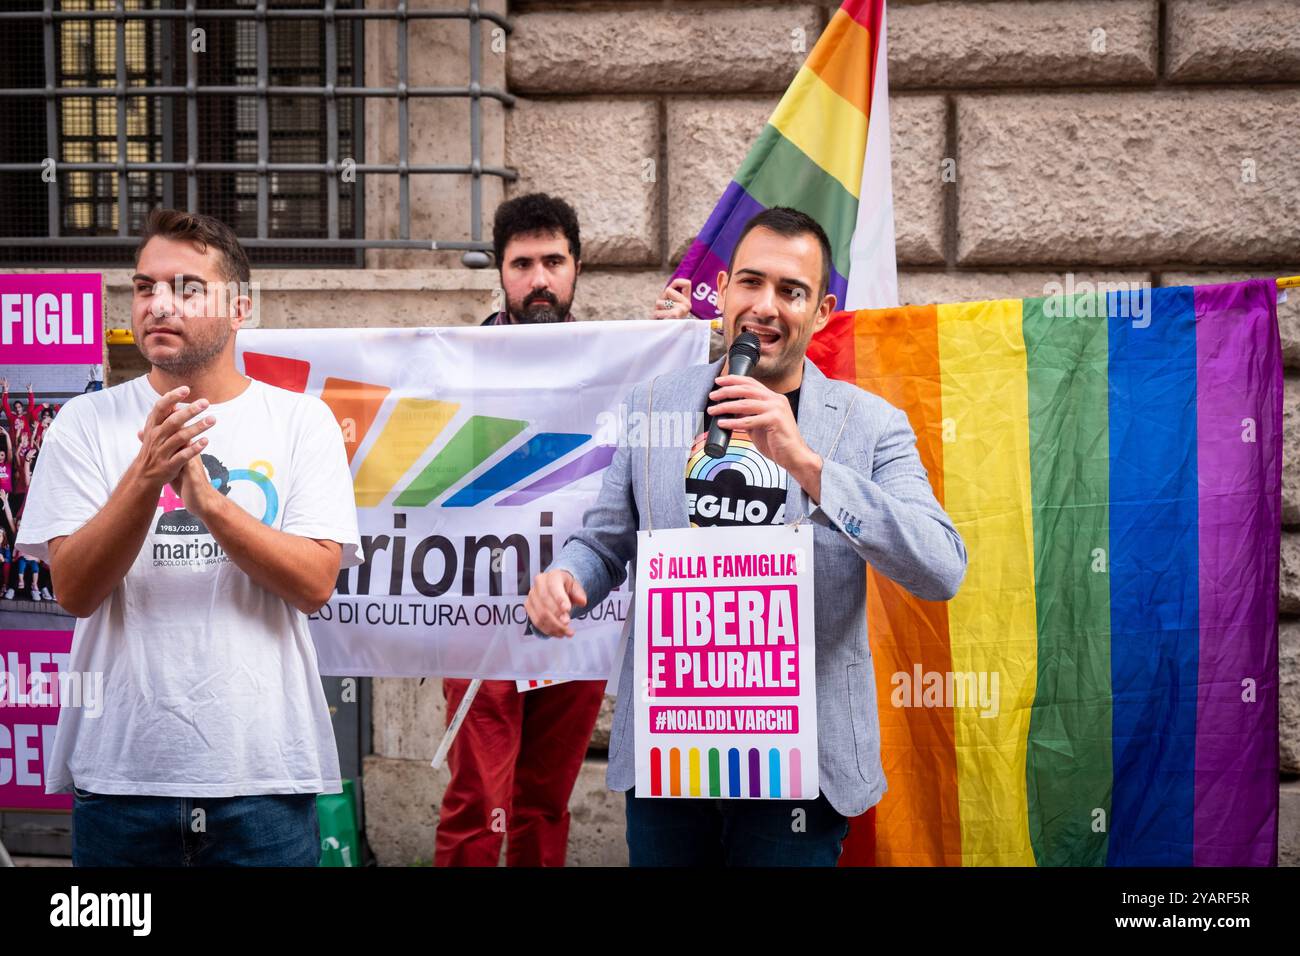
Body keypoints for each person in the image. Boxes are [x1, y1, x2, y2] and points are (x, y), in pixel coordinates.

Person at [524, 207, 968, 866]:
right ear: (724, 289)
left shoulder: (870, 426)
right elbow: (606, 542)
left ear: (821, 311)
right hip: (672, 755)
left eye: (791, 291)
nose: (765, 306)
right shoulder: (653, 404)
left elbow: (940, 568)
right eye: (751, 283)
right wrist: (568, 578)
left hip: (801, 769)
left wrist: (806, 463)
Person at [16, 207, 362, 866]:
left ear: (240, 307)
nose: (158, 304)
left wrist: (207, 503)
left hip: (262, 777)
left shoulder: (301, 422)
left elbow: (316, 584)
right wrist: (146, 479)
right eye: (146, 286)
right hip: (123, 780)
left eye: (186, 287)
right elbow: (75, 590)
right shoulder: (84, 424)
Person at [435, 193, 607, 867]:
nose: (539, 279)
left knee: (544, 800)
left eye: (553, 262)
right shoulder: (450, 366)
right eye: (523, 263)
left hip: (577, 608)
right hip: (477, 613)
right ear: (500, 273)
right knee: (479, 799)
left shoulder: (619, 361)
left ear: (577, 267)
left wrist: (673, 347)